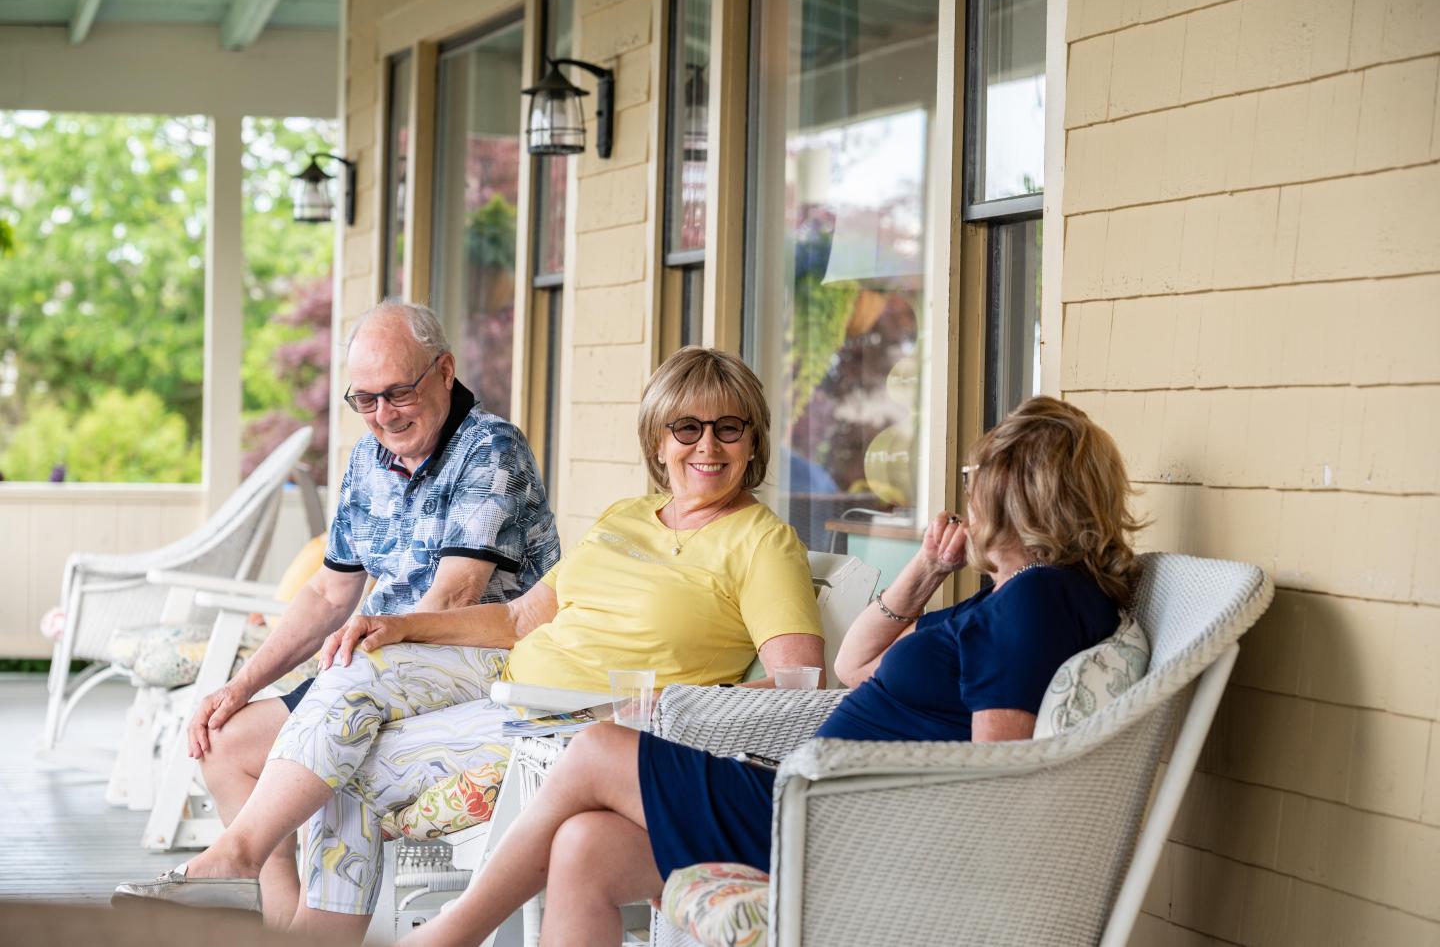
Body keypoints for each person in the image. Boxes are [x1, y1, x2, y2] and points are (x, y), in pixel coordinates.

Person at [116, 347, 825, 934]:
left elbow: (799, 689)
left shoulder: (763, 544)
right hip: (505, 686)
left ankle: (274, 884)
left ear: (754, 440)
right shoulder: (628, 516)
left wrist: (671, 709)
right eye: (687, 428)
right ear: (657, 439)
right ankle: (256, 866)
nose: (707, 446)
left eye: (729, 429)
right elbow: (520, 619)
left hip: (577, 725)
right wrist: (398, 625)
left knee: (343, 767)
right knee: (350, 704)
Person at [399, 394, 1144, 947]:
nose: (969, 490)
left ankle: (450, 935)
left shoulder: (1037, 601)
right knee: (585, 847)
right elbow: (856, 667)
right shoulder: (1020, 597)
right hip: (821, 804)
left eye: (977, 474)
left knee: (596, 753)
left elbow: (999, 774)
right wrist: (926, 569)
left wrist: (846, 796)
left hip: (841, 822)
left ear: (1010, 491)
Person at [112, 300, 561, 934]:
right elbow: (329, 595)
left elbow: (455, 598)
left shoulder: (489, 449)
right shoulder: (368, 461)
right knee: (226, 743)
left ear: (444, 371)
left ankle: (263, 878)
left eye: (399, 393)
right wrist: (239, 686)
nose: (383, 416)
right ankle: (279, 921)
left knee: (342, 730)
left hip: (481, 661)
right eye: (366, 400)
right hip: (372, 665)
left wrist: (364, 661)